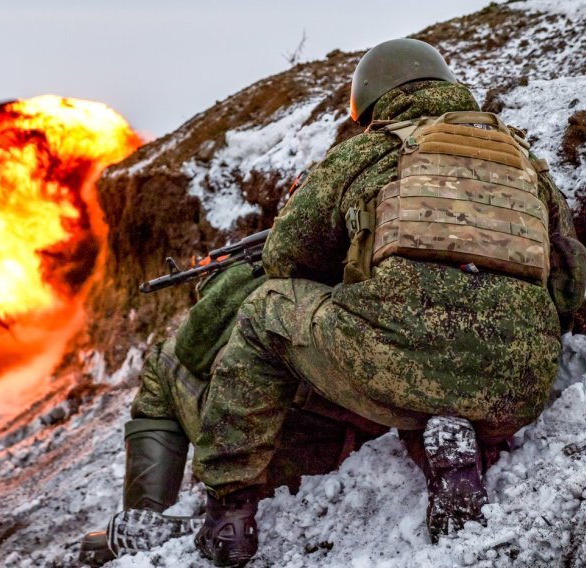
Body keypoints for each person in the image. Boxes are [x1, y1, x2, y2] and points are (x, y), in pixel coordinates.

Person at [192, 38, 586, 567]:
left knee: (267, 312)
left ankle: (228, 510)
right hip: (517, 389)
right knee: (433, 367)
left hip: (397, 363)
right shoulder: (525, 161)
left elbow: (286, 258)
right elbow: (570, 284)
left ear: (372, 103)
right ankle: (453, 444)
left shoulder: (369, 150)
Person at [79, 264, 388, 566]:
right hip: (373, 442)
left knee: (165, 360)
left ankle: (146, 524)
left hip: (285, 460)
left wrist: (240, 268)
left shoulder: (323, 234)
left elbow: (193, 343)